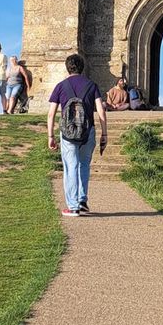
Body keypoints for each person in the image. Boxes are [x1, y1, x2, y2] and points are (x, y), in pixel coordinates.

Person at [48, 53, 107, 217]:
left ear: (67, 68)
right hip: (88, 131)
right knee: (84, 165)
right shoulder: (92, 85)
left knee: (70, 167)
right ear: (82, 68)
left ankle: (73, 206)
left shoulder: (61, 86)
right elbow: (101, 110)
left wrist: (50, 136)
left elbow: (51, 114)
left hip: (68, 134)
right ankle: (82, 200)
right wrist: (105, 134)